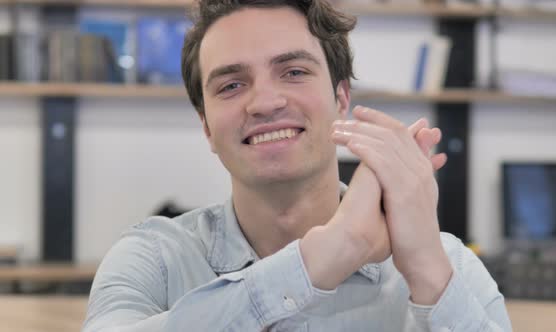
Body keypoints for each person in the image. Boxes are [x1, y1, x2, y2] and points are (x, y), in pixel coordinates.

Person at [83, 0, 512, 331]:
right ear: (207, 127)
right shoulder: (153, 258)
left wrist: (425, 270)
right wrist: (322, 258)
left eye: (293, 72)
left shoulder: (448, 262)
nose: (266, 102)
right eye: (231, 85)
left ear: (341, 99)